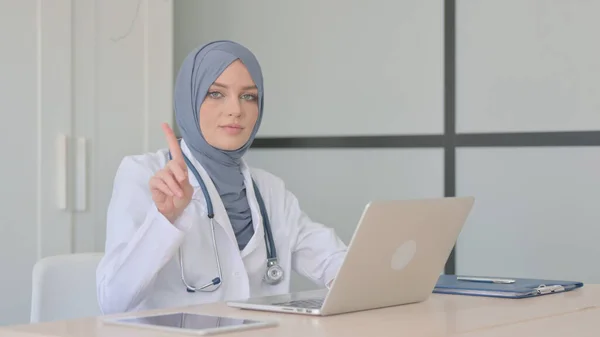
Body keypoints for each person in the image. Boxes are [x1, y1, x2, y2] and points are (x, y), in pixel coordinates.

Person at [96, 40, 348, 314]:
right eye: (216, 93)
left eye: (248, 96)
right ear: (189, 98)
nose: (236, 110)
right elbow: (113, 300)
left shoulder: (270, 190)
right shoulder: (144, 174)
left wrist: (349, 283)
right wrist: (164, 219)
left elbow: (334, 262)